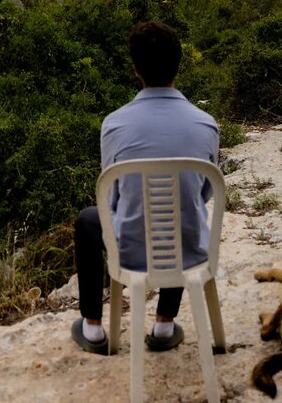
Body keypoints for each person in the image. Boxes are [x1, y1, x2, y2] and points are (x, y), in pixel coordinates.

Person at [71, 20, 220, 355]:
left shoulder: (115, 124)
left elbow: (111, 198)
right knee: (182, 213)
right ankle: (165, 325)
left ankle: (93, 328)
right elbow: (205, 193)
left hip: (131, 255)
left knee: (87, 221)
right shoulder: (205, 124)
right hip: (189, 255)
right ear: (178, 65)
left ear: (136, 69)